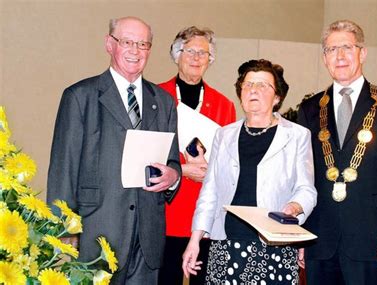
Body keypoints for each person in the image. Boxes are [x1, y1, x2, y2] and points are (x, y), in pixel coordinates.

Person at [47, 16, 181, 285]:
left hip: (147, 240)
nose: (135, 50)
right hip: (96, 232)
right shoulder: (80, 97)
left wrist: (173, 177)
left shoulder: (164, 101)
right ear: (110, 44)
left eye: (143, 44)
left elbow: (173, 161)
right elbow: (64, 167)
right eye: (127, 42)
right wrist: (64, 228)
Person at [298, 20, 377, 284]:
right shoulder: (309, 109)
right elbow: (303, 177)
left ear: (362, 53)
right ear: (324, 58)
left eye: (347, 47)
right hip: (319, 241)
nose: (339, 56)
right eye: (331, 49)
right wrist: (300, 234)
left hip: (373, 241)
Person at [182, 59, 317, 284]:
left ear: (277, 97)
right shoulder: (224, 135)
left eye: (263, 85)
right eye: (248, 84)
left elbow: (307, 189)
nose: (253, 89)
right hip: (226, 244)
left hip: (275, 245)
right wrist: (195, 240)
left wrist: (295, 207)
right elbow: (210, 191)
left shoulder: (297, 135)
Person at [157, 26, 236, 285]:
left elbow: (230, 161)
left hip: (205, 217)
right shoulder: (155, 97)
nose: (196, 58)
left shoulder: (224, 105)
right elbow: (144, 155)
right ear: (176, 55)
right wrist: (182, 169)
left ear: (210, 60)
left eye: (203, 53)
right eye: (190, 51)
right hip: (165, 211)